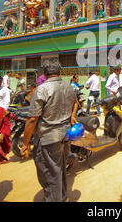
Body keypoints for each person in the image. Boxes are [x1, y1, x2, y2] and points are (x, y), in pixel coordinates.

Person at [20, 58, 78, 202]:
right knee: (59, 170)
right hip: (65, 136)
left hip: (48, 139)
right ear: (59, 72)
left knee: (50, 175)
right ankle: (62, 197)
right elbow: (75, 103)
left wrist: (26, 143)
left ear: (44, 73)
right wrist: (71, 116)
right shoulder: (69, 86)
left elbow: (32, 119)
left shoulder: (42, 89)